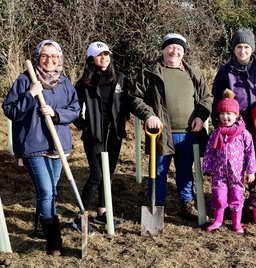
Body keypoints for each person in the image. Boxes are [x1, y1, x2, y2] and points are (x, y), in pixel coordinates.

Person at [2, 40, 80, 255]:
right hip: (32, 144)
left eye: (54, 56)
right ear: (38, 57)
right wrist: (31, 94)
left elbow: (74, 109)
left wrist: (56, 114)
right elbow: (10, 110)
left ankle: (41, 227)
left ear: (60, 59)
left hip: (58, 144)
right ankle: (54, 242)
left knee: (52, 192)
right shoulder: (25, 80)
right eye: (45, 56)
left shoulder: (64, 82)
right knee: (46, 191)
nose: (50, 60)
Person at [129, 33, 213, 220]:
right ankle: (156, 206)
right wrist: (149, 115)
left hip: (188, 134)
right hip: (160, 134)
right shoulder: (150, 72)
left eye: (179, 48)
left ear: (183, 53)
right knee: (158, 171)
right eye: (171, 47)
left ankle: (186, 204)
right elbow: (134, 97)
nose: (174, 51)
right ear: (163, 49)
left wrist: (200, 117)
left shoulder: (193, 74)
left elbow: (207, 98)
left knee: (185, 172)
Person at [72, 41, 130, 233]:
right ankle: (80, 216)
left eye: (106, 54)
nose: (104, 57)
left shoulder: (121, 79)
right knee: (96, 175)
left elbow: (129, 104)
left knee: (108, 175)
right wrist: (83, 126)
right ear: (91, 59)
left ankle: (102, 212)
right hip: (94, 136)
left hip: (114, 135)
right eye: (99, 54)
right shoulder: (84, 83)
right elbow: (73, 109)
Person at [202, 89, 256, 233]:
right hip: (219, 173)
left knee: (236, 197)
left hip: (237, 174)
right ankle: (218, 220)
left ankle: (236, 223)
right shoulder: (216, 133)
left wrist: (251, 171)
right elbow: (209, 151)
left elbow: (251, 152)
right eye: (222, 114)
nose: (225, 117)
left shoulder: (244, 134)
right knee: (219, 197)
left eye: (229, 114)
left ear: (236, 115)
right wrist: (206, 167)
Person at [211, 28, 256, 130]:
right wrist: (218, 124)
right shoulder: (225, 71)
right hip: (235, 128)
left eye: (246, 47)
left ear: (252, 49)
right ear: (234, 49)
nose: (242, 51)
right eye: (239, 47)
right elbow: (217, 100)